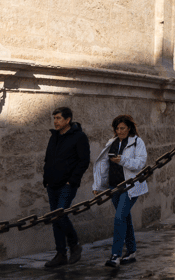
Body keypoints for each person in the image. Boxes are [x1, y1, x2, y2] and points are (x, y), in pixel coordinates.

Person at [92, 115, 148, 268]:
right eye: (117, 128)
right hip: (114, 186)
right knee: (124, 218)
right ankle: (131, 252)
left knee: (119, 218)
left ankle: (115, 255)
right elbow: (103, 165)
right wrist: (98, 186)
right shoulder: (112, 143)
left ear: (129, 128)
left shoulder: (137, 142)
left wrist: (122, 160)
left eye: (122, 128)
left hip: (130, 187)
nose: (119, 131)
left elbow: (141, 163)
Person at [43, 107, 90, 268]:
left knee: (61, 215)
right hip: (52, 184)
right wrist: (46, 180)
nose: (55, 121)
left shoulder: (79, 137)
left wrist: (72, 180)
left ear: (68, 120)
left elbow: (84, 161)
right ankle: (61, 254)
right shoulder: (54, 137)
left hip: (67, 185)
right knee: (55, 220)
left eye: (58, 118)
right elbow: (48, 159)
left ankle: (74, 244)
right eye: (54, 118)